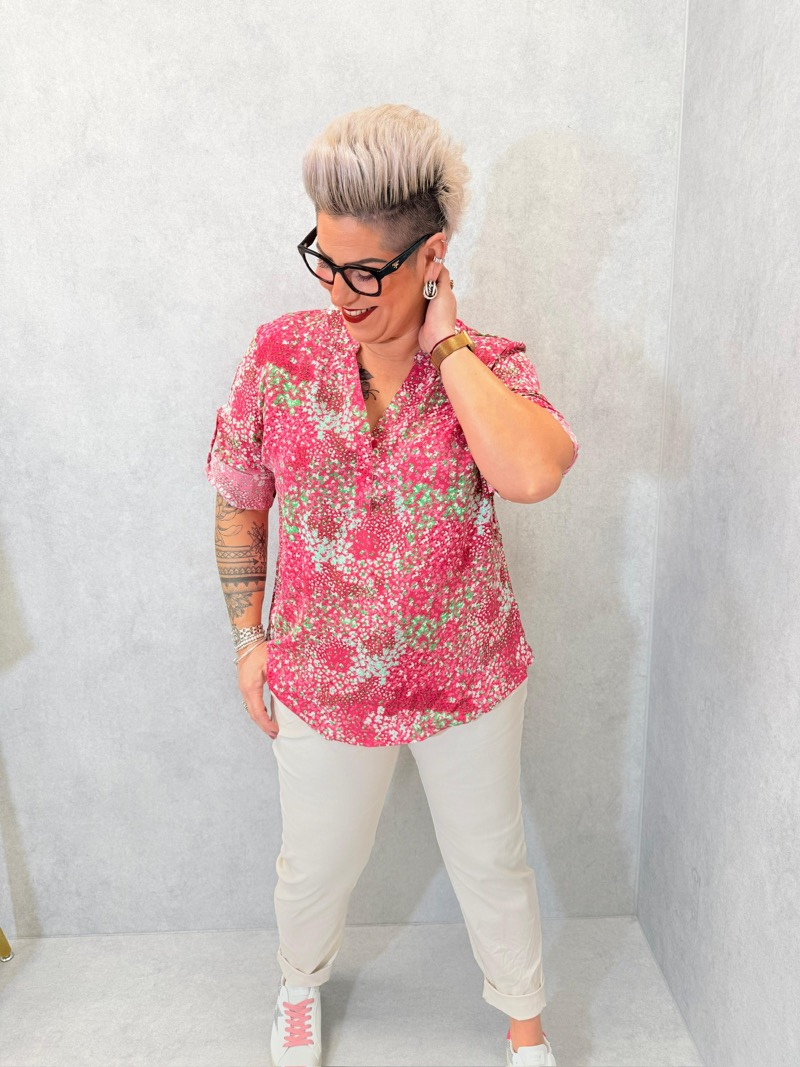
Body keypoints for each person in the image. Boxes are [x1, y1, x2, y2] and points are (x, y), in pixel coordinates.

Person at [206, 104, 579, 1067]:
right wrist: (248, 636)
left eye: (367, 270)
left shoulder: (488, 368)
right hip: (322, 679)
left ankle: (526, 1027)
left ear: (431, 257)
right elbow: (240, 502)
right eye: (324, 261)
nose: (341, 292)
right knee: (313, 867)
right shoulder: (279, 359)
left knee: (492, 860)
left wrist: (446, 346)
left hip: (468, 677)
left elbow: (534, 473)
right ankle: (299, 984)